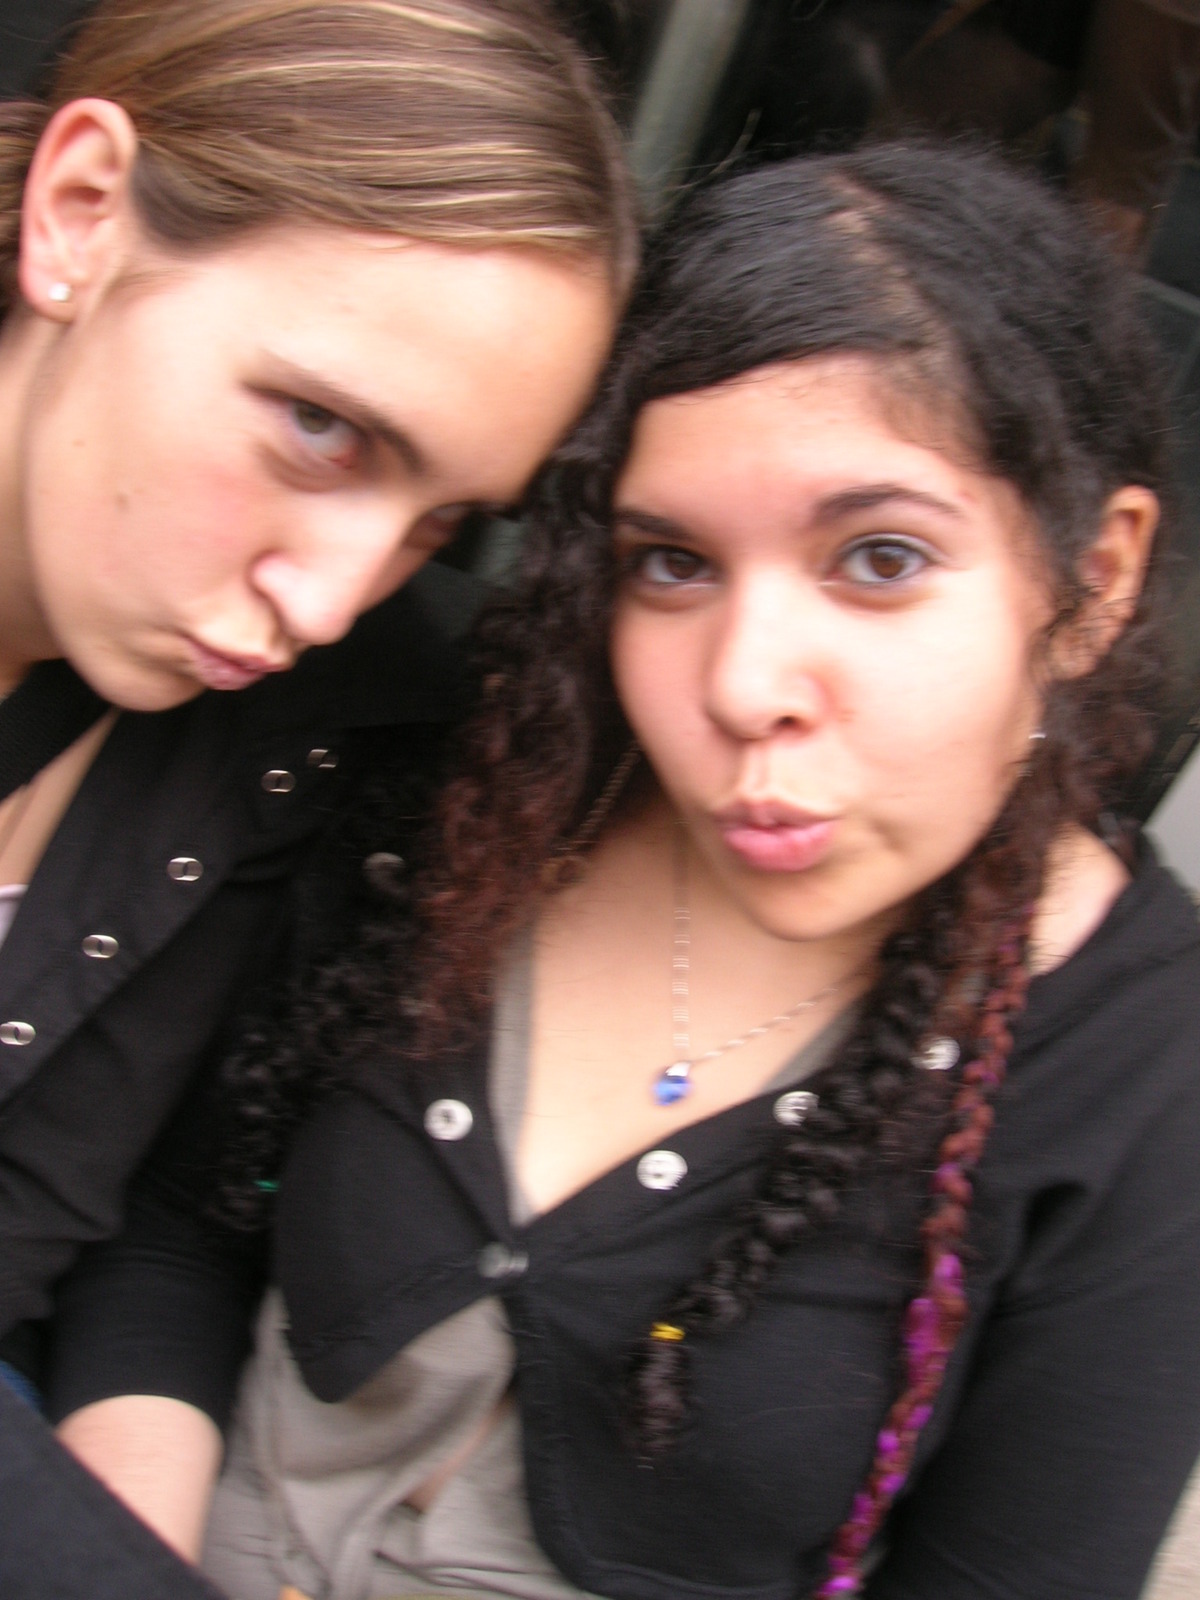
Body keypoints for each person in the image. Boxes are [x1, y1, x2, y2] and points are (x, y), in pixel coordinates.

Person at [59, 142, 1200, 1600]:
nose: (742, 683)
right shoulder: (486, 804)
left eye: (880, 559)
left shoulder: (1145, 1069)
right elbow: (178, 1242)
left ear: (1093, 581)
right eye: (674, 563)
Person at [0, 0, 632, 1592]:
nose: (332, 598)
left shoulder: (283, 723)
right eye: (320, 429)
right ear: (79, 212)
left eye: (439, 522)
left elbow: (34, 1226)